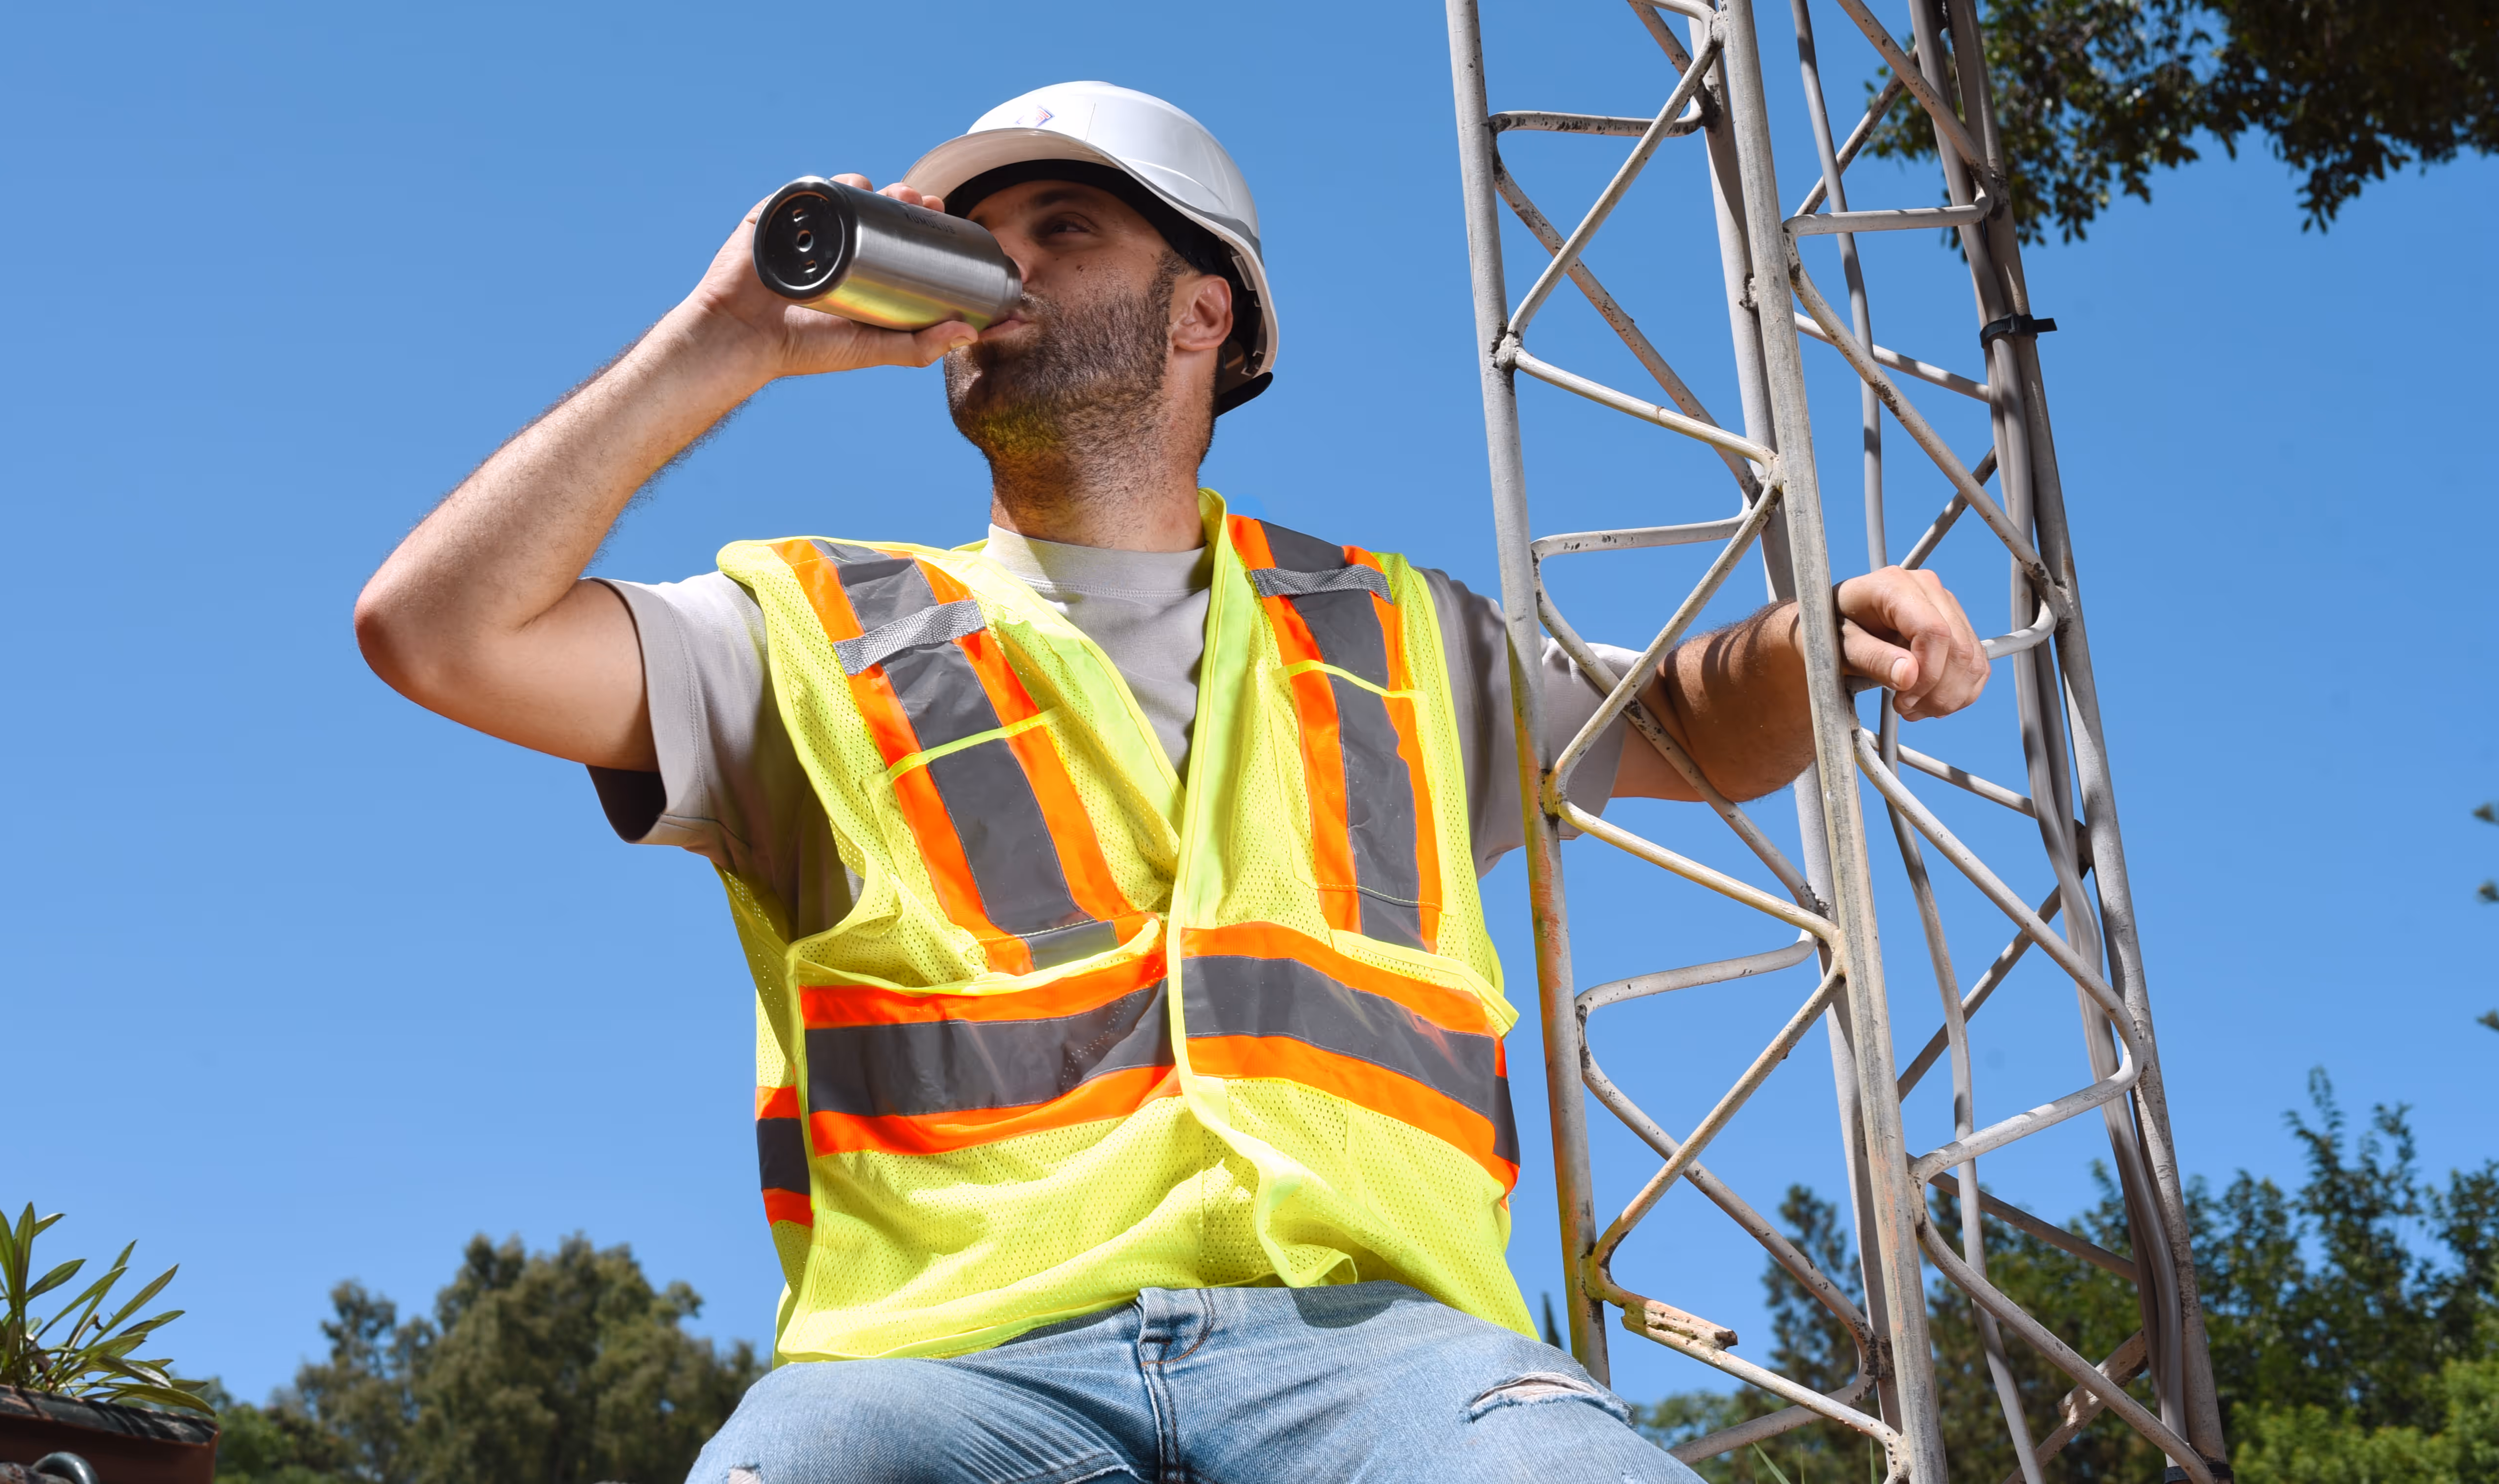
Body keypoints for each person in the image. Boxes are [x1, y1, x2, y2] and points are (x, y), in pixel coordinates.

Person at [354, 81, 1987, 1482]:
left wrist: (1815, 639)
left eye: (1063, 230)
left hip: (1378, 1352)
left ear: (1207, 312)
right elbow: (437, 631)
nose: (1003, 269)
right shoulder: (805, 633)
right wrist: (721, 345)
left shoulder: (1397, 634)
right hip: (939, 1373)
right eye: (983, 235)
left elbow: (1691, 732)